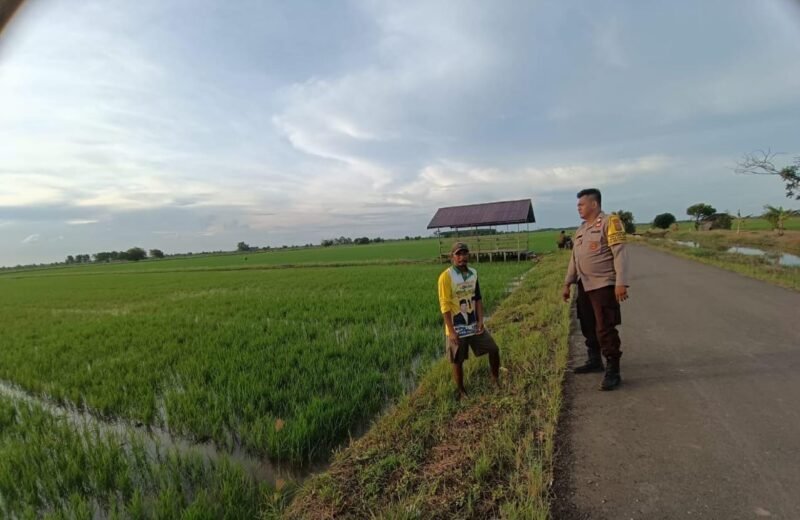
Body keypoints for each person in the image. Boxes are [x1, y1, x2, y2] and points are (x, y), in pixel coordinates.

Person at [562, 188, 629, 391]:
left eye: (581, 204)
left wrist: (621, 282)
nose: (578, 208)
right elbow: (574, 259)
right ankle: (594, 360)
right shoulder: (581, 229)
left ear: (594, 204)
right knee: (587, 324)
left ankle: (613, 370)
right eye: (578, 205)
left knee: (605, 327)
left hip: (603, 284)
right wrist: (567, 283)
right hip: (584, 284)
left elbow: (620, 254)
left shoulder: (610, 222)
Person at [438, 241, 501, 400]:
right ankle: (461, 390)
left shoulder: (473, 273)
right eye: (458, 254)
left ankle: (495, 379)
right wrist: (451, 331)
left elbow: (477, 298)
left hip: (473, 324)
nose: (462, 257)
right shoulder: (446, 277)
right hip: (457, 328)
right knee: (457, 360)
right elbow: (445, 306)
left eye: (464, 253)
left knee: (493, 349)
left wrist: (480, 320)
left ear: (468, 255)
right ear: (452, 257)